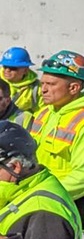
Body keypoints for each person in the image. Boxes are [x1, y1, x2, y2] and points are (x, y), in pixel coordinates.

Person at [31, 50, 84, 209]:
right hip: (38, 197)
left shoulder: (81, 120)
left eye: (51, 84)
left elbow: (81, 176)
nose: (43, 90)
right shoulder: (44, 113)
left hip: (66, 203)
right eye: (42, 83)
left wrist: (44, 193)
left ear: (74, 88)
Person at [0, 47, 40, 113]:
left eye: (12, 68)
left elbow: (41, 113)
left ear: (25, 70)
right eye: (5, 66)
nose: (7, 70)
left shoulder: (36, 88)